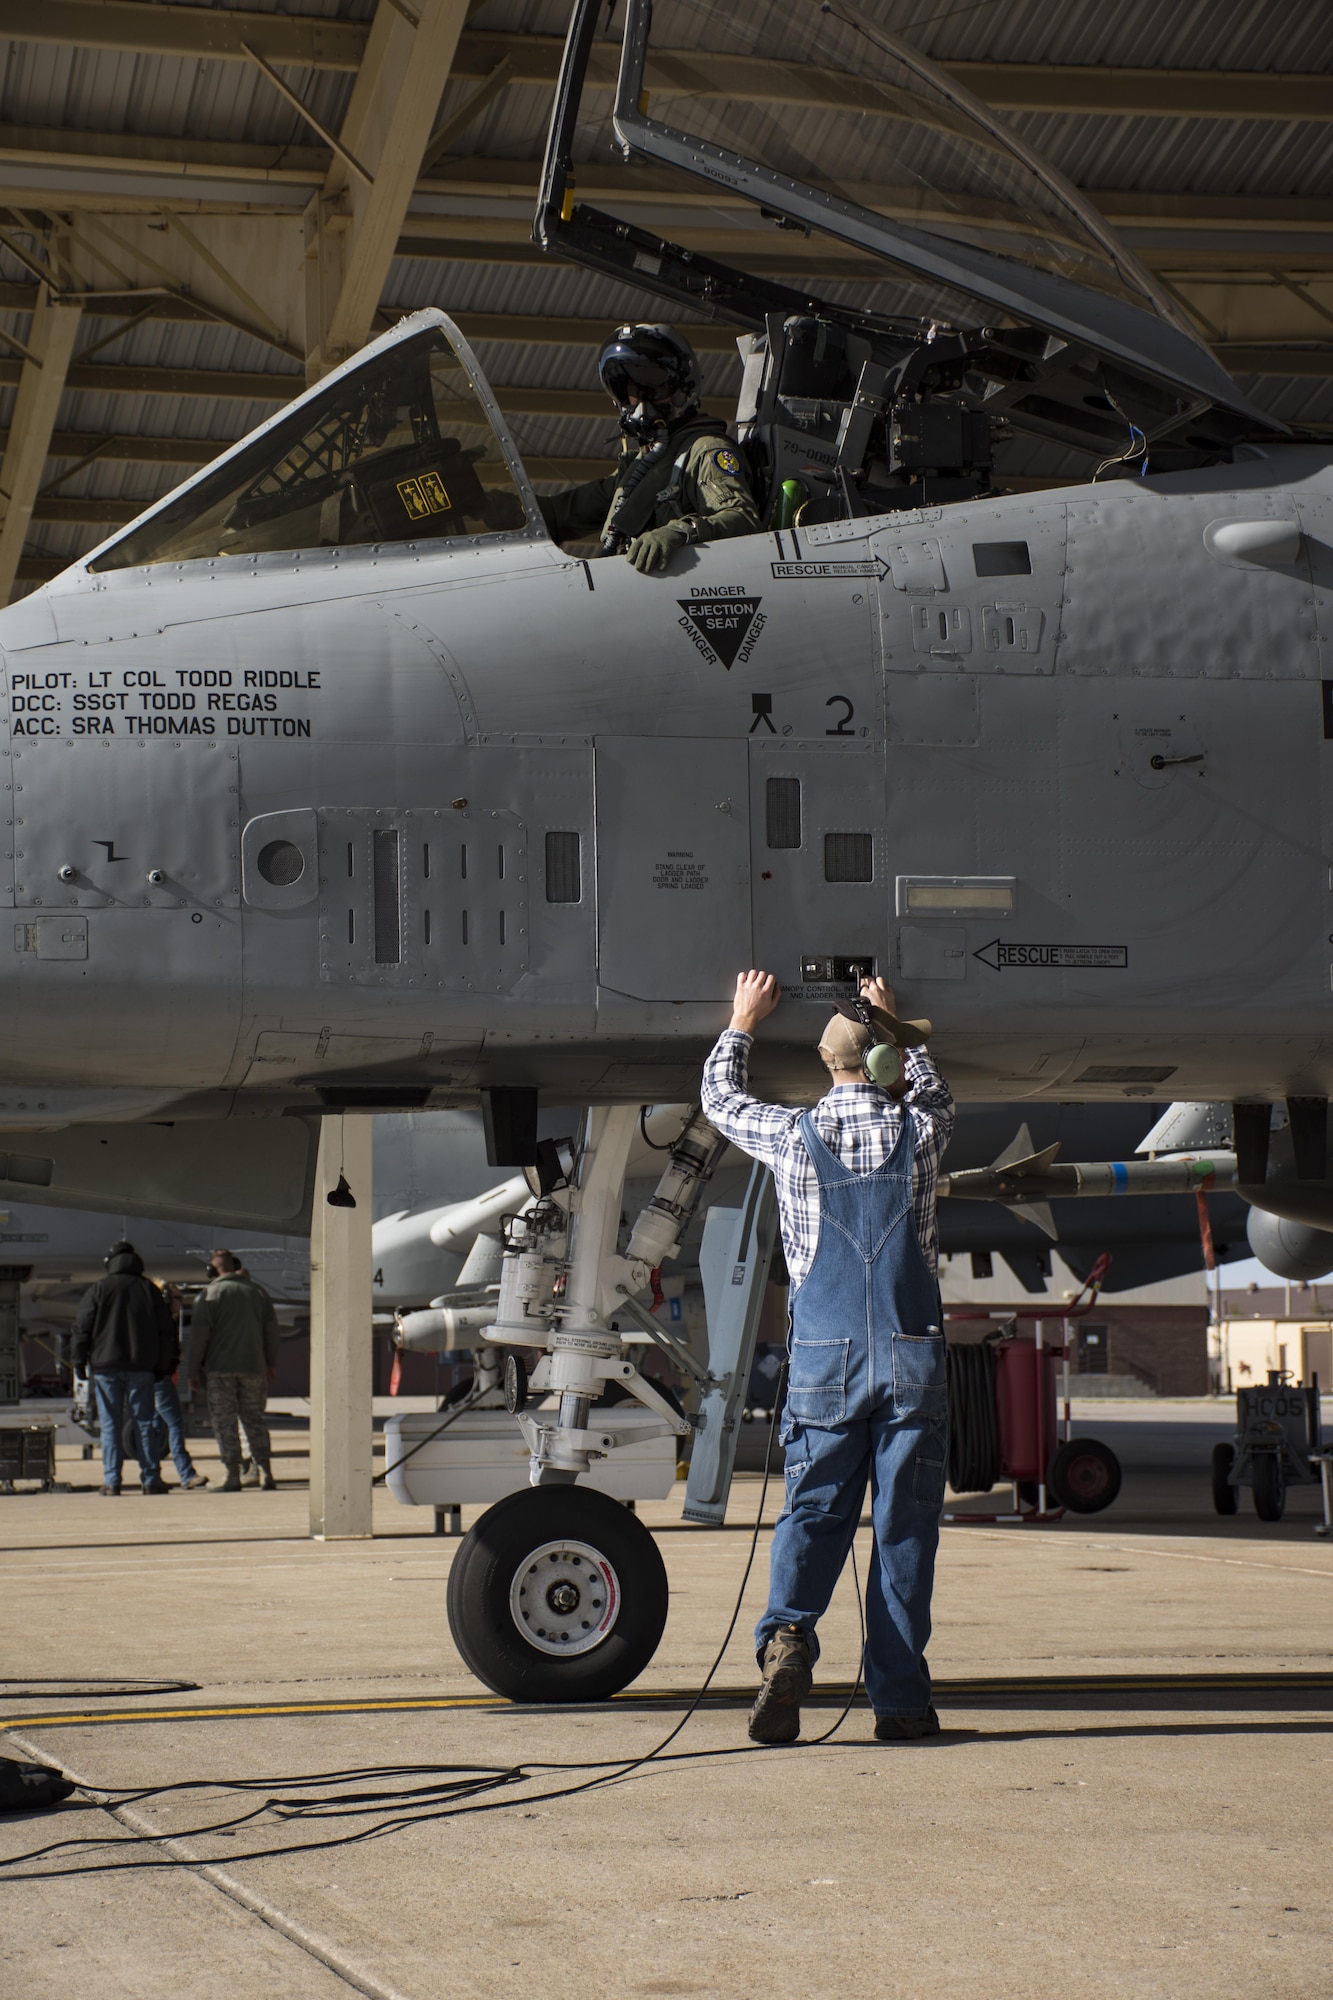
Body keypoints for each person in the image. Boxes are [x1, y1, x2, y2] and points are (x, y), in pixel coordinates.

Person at [700, 970, 955, 1745]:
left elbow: (718, 1098)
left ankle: (786, 1643)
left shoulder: (790, 1135)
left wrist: (742, 1019)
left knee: (812, 1511)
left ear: (825, 1065)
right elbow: (932, 1091)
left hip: (824, 1361)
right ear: (882, 1063)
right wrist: (888, 1022)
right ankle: (902, 1704)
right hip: (911, 1359)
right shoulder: (921, 1133)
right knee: (903, 1531)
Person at [538, 323, 762, 571]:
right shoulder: (640, 468)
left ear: (682, 388)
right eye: (633, 390)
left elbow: (742, 517)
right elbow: (559, 515)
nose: (642, 402)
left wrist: (680, 531)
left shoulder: (705, 450)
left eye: (654, 387)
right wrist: (494, 506)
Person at [69, 1241, 176, 1496]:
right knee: (144, 1423)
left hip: (106, 1367)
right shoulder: (148, 1289)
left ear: (110, 1262)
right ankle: (151, 1480)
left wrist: (78, 1362)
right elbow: (166, 1332)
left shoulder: (99, 1289)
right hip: (142, 1367)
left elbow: (81, 1328)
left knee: (110, 1425)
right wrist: (164, 1366)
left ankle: (112, 1481)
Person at [186, 1249, 280, 1492]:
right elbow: (271, 1332)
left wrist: (193, 1370)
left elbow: (199, 1338)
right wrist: (270, 1363)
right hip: (254, 1367)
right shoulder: (257, 1292)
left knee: (224, 1422)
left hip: (220, 1370)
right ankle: (265, 1472)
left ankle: (232, 1474)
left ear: (212, 1270)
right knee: (254, 1420)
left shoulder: (211, 1294)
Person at [147, 1285, 208, 1490]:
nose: (180, 1303)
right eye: (178, 1298)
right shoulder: (164, 1322)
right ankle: (186, 1473)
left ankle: (151, 1474)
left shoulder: (151, 1319)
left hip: (150, 1380)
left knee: (155, 1427)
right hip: (160, 1379)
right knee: (174, 1425)